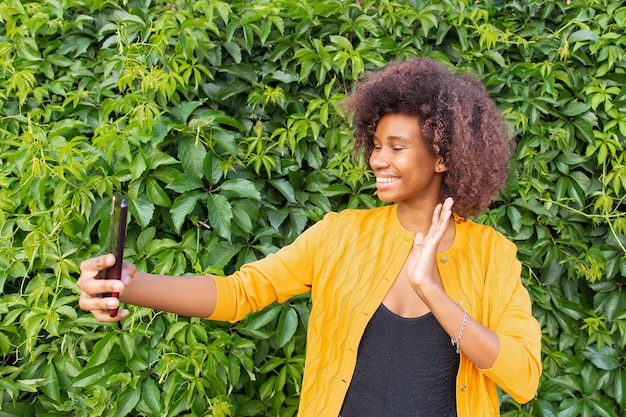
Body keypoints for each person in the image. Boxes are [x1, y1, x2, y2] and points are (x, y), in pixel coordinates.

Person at [78, 57, 542, 417]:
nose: (379, 159)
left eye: (396, 148)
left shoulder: (492, 256)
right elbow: (242, 291)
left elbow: (523, 379)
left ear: (442, 157)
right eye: (376, 145)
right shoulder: (340, 234)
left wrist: (435, 295)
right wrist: (129, 286)